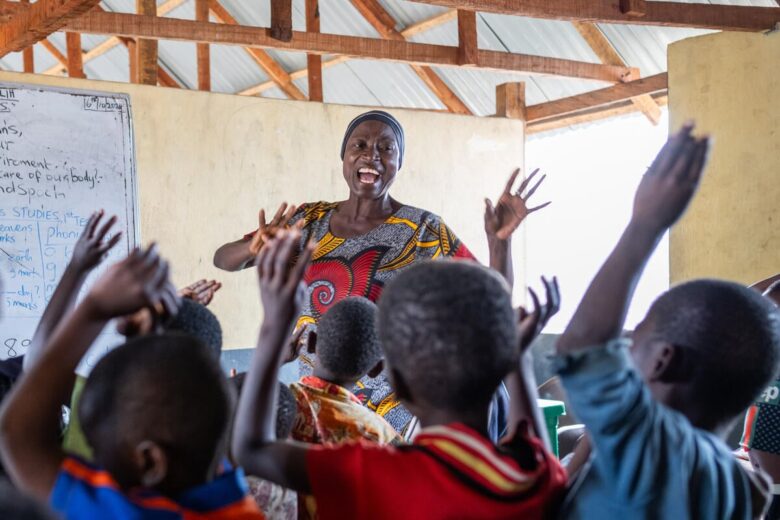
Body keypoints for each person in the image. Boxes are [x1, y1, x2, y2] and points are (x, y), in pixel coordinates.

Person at [214, 110, 549, 436]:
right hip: (323, 402)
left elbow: (495, 297)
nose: (371, 155)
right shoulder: (308, 219)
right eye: (359, 145)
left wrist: (499, 243)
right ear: (343, 156)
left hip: (399, 408)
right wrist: (253, 247)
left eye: (386, 148)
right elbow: (223, 259)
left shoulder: (423, 229)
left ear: (399, 163)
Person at [232, 229, 566, 519]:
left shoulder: (378, 473)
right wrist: (517, 361)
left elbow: (253, 449)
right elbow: (531, 444)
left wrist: (275, 326)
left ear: (397, 383)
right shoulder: (532, 475)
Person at [554, 124, 778, 518]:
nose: (621, 348)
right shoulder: (743, 486)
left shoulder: (646, 439)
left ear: (663, 361)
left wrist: (645, 225)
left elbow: (584, 344)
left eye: (634, 339)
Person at [0, 245, 264, 518]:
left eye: (98, 447)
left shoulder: (129, 511)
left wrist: (96, 308)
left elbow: (18, 434)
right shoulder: (234, 494)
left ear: (150, 462)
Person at [290, 297, 400, 446]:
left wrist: (276, 359)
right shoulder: (382, 437)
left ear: (311, 343)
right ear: (376, 369)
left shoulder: (275, 402)